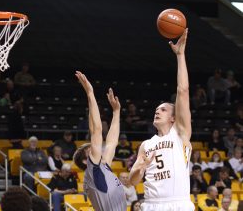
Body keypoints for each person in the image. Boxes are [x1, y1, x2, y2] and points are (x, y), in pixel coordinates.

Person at [129, 29, 195, 211]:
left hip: (179, 203)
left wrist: (180, 55)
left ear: (174, 118)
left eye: (163, 109)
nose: (157, 112)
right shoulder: (145, 145)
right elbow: (132, 182)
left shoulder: (180, 132)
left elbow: (183, 90)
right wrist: (139, 168)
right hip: (152, 204)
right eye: (156, 110)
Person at [73, 71, 127, 210]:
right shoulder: (93, 169)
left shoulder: (103, 168)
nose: (96, 149)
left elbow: (111, 142)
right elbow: (96, 130)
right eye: (90, 150)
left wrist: (116, 112)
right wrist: (90, 93)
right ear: (86, 161)